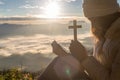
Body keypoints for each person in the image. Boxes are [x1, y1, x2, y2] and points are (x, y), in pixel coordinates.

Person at [51, 0, 120, 80]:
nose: (93, 26)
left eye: (94, 20)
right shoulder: (105, 36)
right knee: (59, 62)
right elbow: (96, 69)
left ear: (107, 15)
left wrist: (84, 58)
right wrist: (66, 55)